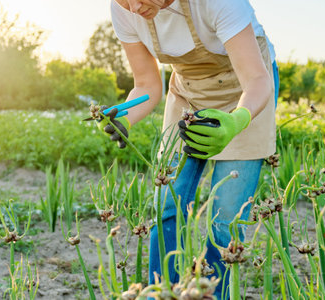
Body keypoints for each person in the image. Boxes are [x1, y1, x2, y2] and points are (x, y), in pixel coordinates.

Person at [102, 0, 280, 298]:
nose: (133, 7)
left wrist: (236, 121)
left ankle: (211, 293)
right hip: (189, 92)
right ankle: (165, 292)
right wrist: (126, 117)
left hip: (247, 93)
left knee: (226, 216)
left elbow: (257, 80)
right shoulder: (123, 8)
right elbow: (146, 83)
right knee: (166, 202)